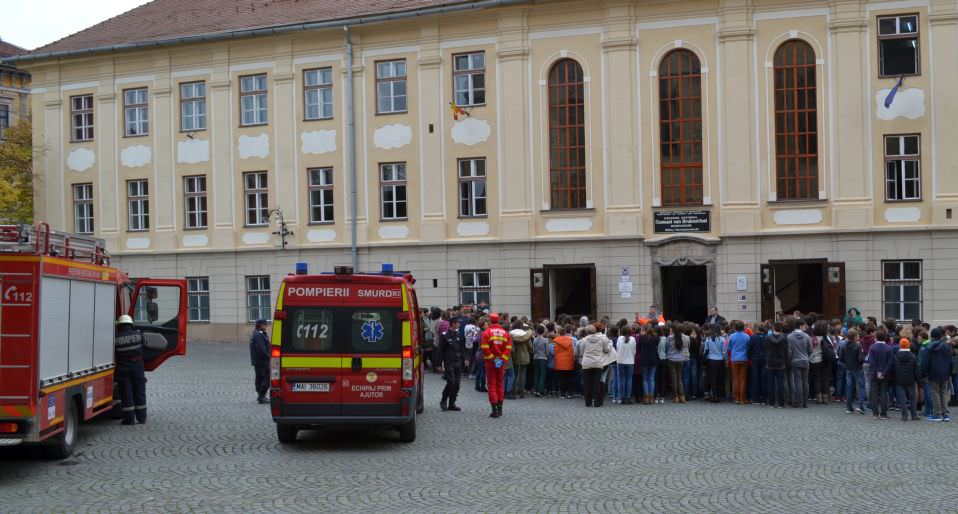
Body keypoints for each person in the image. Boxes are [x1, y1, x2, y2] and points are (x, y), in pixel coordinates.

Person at [115, 315, 147, 425]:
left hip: (124, 368)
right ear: (130, 324)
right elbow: (145, 348)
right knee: (140, 392)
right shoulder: (138, 335)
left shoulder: (116, 338)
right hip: (138, 367)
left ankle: (129, 419)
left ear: (119, 325)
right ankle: (142, 417)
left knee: (126, 393)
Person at [480, 313, 513, 418]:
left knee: (491, 385)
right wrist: (501, 360)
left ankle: (494, 410)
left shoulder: (487, 332)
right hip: (501, 363)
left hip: (490, 362)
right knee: (500, 384)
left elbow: (485, 348)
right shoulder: (505, 333)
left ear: (490, 320)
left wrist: (493, 359)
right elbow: (508, 348)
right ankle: (500, 408)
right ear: (498, 320)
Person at [923, 327, 953, 422]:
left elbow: (926, 362)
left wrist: (924, 373)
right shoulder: (947, 346)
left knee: (935, 393)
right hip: (945, 372)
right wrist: (949, 372)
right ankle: (945, 414)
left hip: (933, 372)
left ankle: (937, 414)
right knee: (943, 392)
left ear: (932, 336)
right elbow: (950, 361)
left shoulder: (929, 347)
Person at [436, 317, 466, 412]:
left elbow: (462, 349)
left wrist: (466, 359)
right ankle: (443, 401)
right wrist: (439, 364)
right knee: (451, 382)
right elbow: (440, 350)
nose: (459, 324)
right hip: (449, 362)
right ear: (453, 323)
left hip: (458, 362)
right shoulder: (444, 335)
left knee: (457, 383)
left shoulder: (459, 334)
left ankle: (452, 403)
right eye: (458, 323)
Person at [580, 325, 612, 407]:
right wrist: (610, 345)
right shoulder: (601, 339)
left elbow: (582, 352)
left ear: (587, 332)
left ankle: (588, 402)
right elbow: (606, 349)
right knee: (596, 383)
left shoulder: (584, 340)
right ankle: (597, 402)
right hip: (598, 363)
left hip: (587, 363)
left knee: (587, 383)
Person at [867, 332, 894, 420]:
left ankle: (875, 413)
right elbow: (890, 362)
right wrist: (883, 372)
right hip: (885, 375)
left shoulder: (872, 347)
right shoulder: (889, 348)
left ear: (876, 338)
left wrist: (877, 371)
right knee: (884, 393)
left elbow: (871, 361)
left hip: (874, 373)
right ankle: (883, 413)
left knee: (874, 394)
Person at [786, 317, 812, 408]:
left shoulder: (789, 337)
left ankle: (798, 401)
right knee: (805, 381)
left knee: (797, 382)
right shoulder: (807, 336)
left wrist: (790, 360)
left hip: (795, 360)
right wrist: (806, 356)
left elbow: (789, 351)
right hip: (805, 360)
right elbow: (810, 349)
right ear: (800, 326)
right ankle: (805, 402)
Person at [893, 338, 920, 421]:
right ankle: (914, 415)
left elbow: (893, 369)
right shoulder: (913, 356)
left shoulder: (896, 356)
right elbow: (916, 370)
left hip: (899, 379)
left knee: (902, 398)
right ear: (908, 345)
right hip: (910, 379)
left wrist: (893, 379)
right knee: (912, 397)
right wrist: (919, 381)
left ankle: (904, 416)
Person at [841, 329, 866, 415]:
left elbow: (841, 357)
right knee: (861, 386)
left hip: (848, 368)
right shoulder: (858, 346)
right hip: (858, 368)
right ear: (855, 337)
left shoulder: (844, 345)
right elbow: (860, 359)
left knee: (849, 387)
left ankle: (849, 407)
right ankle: (861, 406)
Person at [764, 322, 788, 408]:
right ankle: (781, 403)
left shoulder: (767, 338)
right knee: (781, 383)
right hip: (781, 362)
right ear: (781, 329)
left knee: (770, 383)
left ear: (773, 328)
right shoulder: (784, 338)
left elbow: (765, 349)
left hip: (770, 362)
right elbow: (786, 350)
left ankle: (771, 402)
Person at [727, 320, 750, 404]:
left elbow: (728, 349)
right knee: (743, 378)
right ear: (743, 327)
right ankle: (742, 398)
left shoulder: (731, 336)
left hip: (734, 359)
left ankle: (736, 398)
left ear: (734, 328)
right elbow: (748, 348)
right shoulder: (747, 336)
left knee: (735, 378)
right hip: (744, 358)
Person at [703, 324, 727, 403]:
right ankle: (719, 395)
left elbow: (706, 350)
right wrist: (726, 360)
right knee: (719, 378)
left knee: (712, 378)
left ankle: (713, 395)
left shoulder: (708, 339)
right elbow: (724, 351)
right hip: (720, 360)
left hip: (711, 359)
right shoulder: (722, 339)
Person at [249, 319, 271, 405]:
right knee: (267, 377)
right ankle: (261, 395)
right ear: (260, 325)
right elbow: (261, 349)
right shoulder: (258, 335)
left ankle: (260, 395)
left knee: (259, 378)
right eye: (264, 325)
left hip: (258, 360)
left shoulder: (257, 333)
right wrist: (269, 356)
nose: (266, 326)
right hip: (262, 360)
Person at [666, 324, 689, 403]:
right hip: (681, 359)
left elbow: (667, 347)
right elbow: (687, 347)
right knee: (680, 378)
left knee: (674, 379)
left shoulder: (669, 338)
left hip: (671, 359)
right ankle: (682, 396)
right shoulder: (686, 337)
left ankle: (675, 397)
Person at [510, 322, 533, 399]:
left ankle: (513, 391)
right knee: (523, 374)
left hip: (516, 356)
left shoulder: (512, 335)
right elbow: (530, 347)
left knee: (515, 374)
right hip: (525, 356)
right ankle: (521, 392)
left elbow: (512, 348)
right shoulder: (525, 335)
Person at [638, 324, 660, 404]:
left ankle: (646, 397)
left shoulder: (641, 337)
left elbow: (639, 347)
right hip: (653, 359)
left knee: (644, 379)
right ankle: (651, 397)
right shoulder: (656, 338)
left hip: (644, 359)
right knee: (651, 378)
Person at [615, 326, 637, 405]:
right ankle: (628, 397)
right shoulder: (633, 339)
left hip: (620, 361)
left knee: (621, 380)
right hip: (630, 361)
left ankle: (622, 397)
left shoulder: (619, 339)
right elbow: (634, 351)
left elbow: (617, 348)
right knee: (629, 380)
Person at [553, 326, 576, 399]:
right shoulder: (570, 341)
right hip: (569, 362)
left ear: (559, 333)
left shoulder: (556, 341)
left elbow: (554, 352)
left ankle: (562, 394)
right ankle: (569, 393)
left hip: (559, 363)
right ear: (565, 333)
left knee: (561, 379)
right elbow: (573, 350)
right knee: (569, 379)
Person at [748, 322, 767, 404]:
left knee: (755, 379)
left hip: (755, 359)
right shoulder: (767, 337)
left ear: (757, 329)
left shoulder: (753, 337)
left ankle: (755, 398)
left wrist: (750, 357)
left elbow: (749, 349)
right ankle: (764, 398)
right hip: (765, 359)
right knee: (764, 378)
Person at [532, 324, 550, 397]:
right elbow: (547, 351)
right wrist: (547, 356)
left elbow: (533, 350)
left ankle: (535, 390)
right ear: (543, 332)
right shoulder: (545, 340)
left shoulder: (534, 339)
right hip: (543, 358)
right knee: (542, 375)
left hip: (536, 358)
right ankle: (540, 391)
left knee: (536, 374)